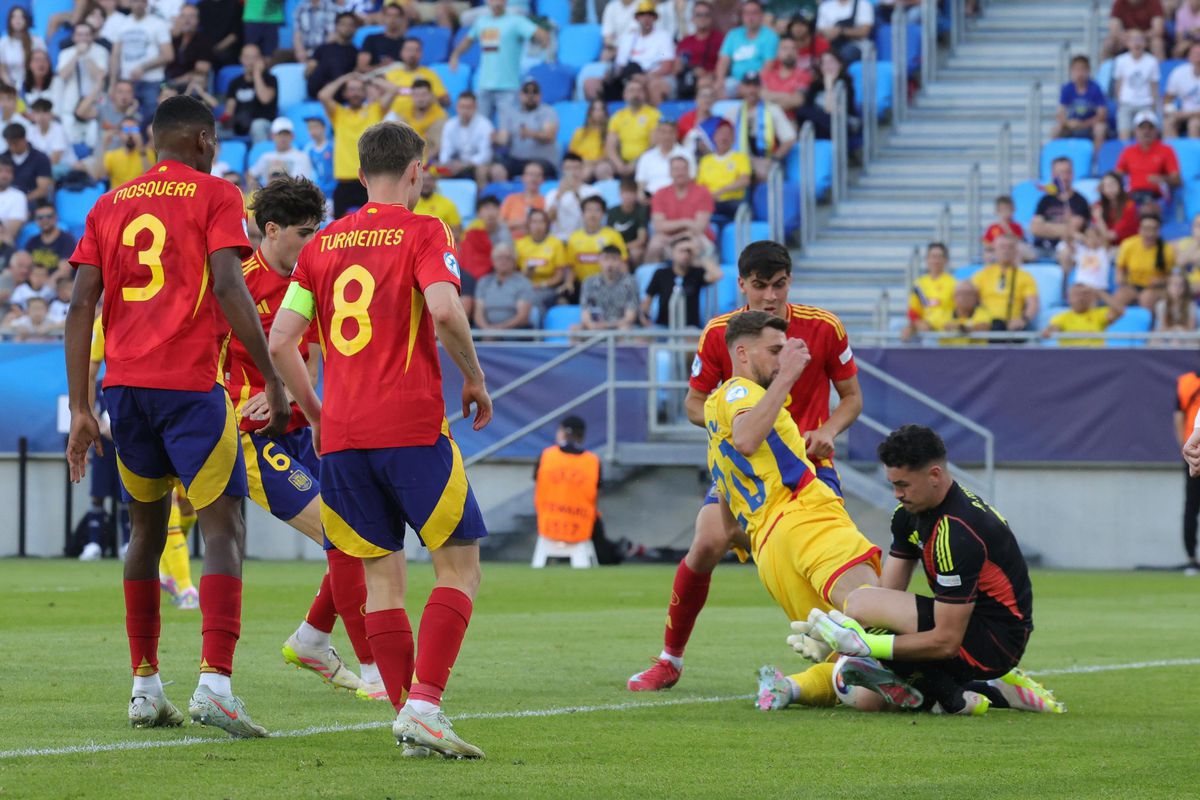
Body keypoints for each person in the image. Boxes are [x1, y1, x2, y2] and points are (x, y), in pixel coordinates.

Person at [64, 95, 292, 738]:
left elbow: (81, 305)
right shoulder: (215, 194)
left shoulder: (108, 204)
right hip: (191, 385)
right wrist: (272, 378)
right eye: (213, 140)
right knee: (223, 525)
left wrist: (83, 408)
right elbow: (227, 283)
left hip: (125, 391)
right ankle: (216, 683)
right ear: (198, 138)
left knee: (144, 530)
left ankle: (144, 685)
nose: (215, 150)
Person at [268, 120, 493, 759]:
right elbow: (446, 311)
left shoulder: (323, 244)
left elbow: (283, 341)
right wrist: (474, 380)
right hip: (410, 425)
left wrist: (315, 411)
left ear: (362, 177)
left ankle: (410, 722)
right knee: (460, 566)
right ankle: (423, 705)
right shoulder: (425, 231)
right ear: (417, 172)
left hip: (341, 436)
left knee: (381, 585)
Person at [628, 242, 863, 702]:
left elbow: (852, 397)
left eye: (779, 285)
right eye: (760, 286)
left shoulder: (824, 327)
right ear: (741, 285)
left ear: (789, 282)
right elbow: (694, 404)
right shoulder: (721, 333)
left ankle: (855, 650)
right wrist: (734, 418)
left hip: (806, 468)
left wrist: (829, 429)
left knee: (822, 569)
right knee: (708, 541)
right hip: (747, 471)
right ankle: (669, 660)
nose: (770, 296)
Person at [221, 176, 381, 698]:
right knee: (344, 535)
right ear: (271, 230)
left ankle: (313, 637)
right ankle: (375, 670)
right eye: (304, 233)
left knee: (355, 530)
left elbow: (309, 354)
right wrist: (251, 395)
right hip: (253, 436)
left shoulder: (312, 279)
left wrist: (296, 394)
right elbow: (208, 356)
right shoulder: (236, 280)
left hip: (302, 428)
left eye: (318, 232)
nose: (313, 243)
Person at [797, 425, 1064, 716]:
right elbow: (886, 596)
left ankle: (964, 694)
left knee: (860, 602)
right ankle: (985, 692)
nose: (897, 494)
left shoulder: (956, 531)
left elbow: (946, 641)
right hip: (962, 631)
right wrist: (836, 640)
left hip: (995, 643)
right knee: (865, 699)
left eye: (904, 485)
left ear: (934, 475)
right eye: (893, 485)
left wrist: (866, 645)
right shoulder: (908, 515)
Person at [693, 307, 881, 713]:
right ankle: (985, 675)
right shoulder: (742, 392)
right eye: (774, 350)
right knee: (878, 613)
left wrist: (741, 537)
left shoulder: (712, 411)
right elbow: (746, 437)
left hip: (770, 550)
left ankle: (792, 687)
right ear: (741, 354)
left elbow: (727, 496)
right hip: (806, 516)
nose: (783, 358)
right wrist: (787, 375)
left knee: (857, 669)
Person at [449, 0, 549, 124]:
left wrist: (544, 43)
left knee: (507, 131)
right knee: (481, 129)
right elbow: (469, 39)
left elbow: (540, 33)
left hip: (508, 86)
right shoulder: (481, 21)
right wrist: (455, 54)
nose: (496, 3)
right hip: (484, 84)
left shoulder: (516, 21)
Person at [318, 72, 399, 218]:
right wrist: (344, 77)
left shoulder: (375, 110)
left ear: (365, 92)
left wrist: (368, 78)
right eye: (351, 89)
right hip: (344, 182)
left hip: (370, 180)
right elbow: (323, 95)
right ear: (345, 93)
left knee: (374, 229)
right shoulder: (339, 113)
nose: (355, 93)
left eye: (359, 89)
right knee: (341, 233)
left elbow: (393, 90)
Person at [533, 413, 603, 549]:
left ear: (564, 432)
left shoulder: (546, 455)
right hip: (581, 529)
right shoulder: (593, 460)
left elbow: (538, 482)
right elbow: (598, 491)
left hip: (548, 527)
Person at [110, 0, 174, 126]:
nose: (138, 4)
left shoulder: (158, 24)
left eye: (141, 1)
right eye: (134, 1)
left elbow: (168, 55)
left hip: (152, 83)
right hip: (127, 83)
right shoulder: (122, 24)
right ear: (129, 3)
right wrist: (112, 83)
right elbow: (115, 55)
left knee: (151, 121)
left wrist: (144, 67)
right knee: (126, 121)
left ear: (146, 4)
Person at [646, 156, 715, 262]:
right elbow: (659, 226)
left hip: (695, 237)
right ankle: (653, 276)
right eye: (676, 169)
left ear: (689, 171)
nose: (680, 173)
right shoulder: (660, 193)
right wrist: (686, 222)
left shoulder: (702, 192)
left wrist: (679, 235)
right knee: (655, 245)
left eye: (684, 169)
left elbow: (699, 227)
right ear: (670, 172)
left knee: (694, 245)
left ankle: (696, 278)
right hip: (669, 238)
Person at [642, 236, 722, 328]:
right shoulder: (661, 273)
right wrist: (645, 318)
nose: (685, 254)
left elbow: (717, 275)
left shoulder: (697, 273)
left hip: (689, 328)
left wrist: (699, 254)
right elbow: (647, 300)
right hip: (662, 327)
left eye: (688, 251)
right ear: (672, 253)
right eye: (681, 251)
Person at [970, 235, 1040, 334]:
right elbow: (970, 300)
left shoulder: (1025, 276)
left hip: (1012, 326)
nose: (1006, 251)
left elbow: (1033, 304)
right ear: (995, 250)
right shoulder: (981, 275)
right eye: (1002, 247)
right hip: (986, 325)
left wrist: (1024, 320)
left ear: (1016, 251)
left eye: (1010, 247)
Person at [493, 79, 558, 181]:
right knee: (497, 170)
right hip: (516, 159)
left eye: (534, 92)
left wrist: (531, 134)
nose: (530, 96)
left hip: (542, 160)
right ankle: (505, 194)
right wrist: (496, 139)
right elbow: (503, 138)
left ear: (540, 96)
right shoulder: (511, 113)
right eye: (526, 92)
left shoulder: (548, 111)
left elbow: (549, 135)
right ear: (520, 95)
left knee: (533, 170)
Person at [613, 1, 676, 106]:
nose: (646, 18)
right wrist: (633, 77)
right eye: (642, 15)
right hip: (632, 78)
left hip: (657, 77)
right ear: (637, 18)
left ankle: (655, 119)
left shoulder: (663, 36)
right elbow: (621, 66)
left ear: (655, 18)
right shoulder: (628, 39)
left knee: (653, 86)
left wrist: (645, 77)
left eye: (650, 15)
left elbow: (666, 67)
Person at [566, 196, 628, 298]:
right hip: (581, 285)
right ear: (583, 214)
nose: (593, 214)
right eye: (589, 210)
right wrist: (569, 283)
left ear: (603, 214)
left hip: (608, 284)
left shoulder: (613, 235)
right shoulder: (574, 237)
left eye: (597, 210)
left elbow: (623, 263)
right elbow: (571, 266)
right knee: (562, 299)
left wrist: (623, 285)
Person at [1117, 110, 1181, 206]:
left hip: (1156, 198)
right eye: (1142, 127)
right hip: (1133, 196)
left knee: (1146, 208)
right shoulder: (1128, 151)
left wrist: (1162, 179)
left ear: (1157, 130)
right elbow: (1117, 175)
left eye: (1150, 127)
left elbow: (1177, 180)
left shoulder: (1166, 150)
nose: (1146, 131)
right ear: (1135, 131)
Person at [715, 0, 780, 94]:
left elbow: (768, 66)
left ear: (761, 15)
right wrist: (720, 80)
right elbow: (723, 61)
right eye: (746, 13)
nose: (750, 17)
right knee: (714, 91)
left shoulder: (770, 36)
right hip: (735, 82)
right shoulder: (733, 34)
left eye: (754, 13)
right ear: (742, 16)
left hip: (759, 82)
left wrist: (749, 85)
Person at [1031, 157, 1090, 257]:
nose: (1064, 177)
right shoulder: (1045, 200)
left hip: (1067, 248)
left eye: (1067, 172)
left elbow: (1073, 229)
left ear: (1072, 174)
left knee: (1065, 254)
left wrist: (1046, 227)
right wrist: (1064, 228)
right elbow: (1035, 228)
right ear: (1053, 175)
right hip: (1041, 248)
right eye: (1059, 173)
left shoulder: (1081, 201)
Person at [383, 37, 450, 124]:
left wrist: (428, 95)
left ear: (421, 53)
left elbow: (446, 101)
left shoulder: (429, 74)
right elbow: (380, 103)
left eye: (417, 50)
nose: (412, 54)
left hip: (424, 118)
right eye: (409, 50)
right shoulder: (391, 75)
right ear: (401, 52)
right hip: (397, 118)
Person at [606, 77, 662, 179]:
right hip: (621, 161)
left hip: (646, 159)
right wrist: (618, 164)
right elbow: (610, 146)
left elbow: (653, 144)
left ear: (644, 95)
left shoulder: (654, 115)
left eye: (639, 91)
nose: (635, 94)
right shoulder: (617, 117)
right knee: (603, 169)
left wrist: (635, 163)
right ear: (625, 95)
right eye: (631, 91)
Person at [1053, 55, 1108, 159]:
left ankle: (1095, 160)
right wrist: (1068, 123)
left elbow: (1102, 114)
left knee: (1100, 129)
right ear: (1071, 72)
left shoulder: (1095, 89)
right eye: (1076, 70)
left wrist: (1084, 124)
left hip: (1089, 125)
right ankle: (1057, 160)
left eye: (1083, 70)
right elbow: (1060, 112)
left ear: (1088, 71)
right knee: (1055, 130)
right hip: (1072, 124)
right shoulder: (1067, 89)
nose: (1079, 73)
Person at [1116, 209, 1174, 307]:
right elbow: (1120, 267)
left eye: (1154, 229)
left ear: (1159, 231)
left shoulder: (1167, 250)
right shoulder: (1128, 244)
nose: (1150, 233)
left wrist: (1161, 281)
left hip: (1155, 288)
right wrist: (1120, 278)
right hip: (1132, 285)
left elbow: (1172, 276)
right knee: (1118, 300)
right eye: (1146, 229)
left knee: (1146, 298)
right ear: (1139, 229)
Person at [793, 50, 853, 142]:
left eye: (831, 62)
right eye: (824, 63)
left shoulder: (844, 85)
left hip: (839, 125)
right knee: (801, 111)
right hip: (819, 127)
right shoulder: (815, 86)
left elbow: (832, 111)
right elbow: (808, 108)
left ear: (840, 64)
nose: (828, 66)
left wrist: (829, 85)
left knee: (804, 111)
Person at [696, 119, 751, 218]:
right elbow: (700, 185)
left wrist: (722, 190)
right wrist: (709, 196)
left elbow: (744, 180)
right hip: (710, 201)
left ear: (733, 138)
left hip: (732, 200)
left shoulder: (740, 158)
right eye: (721, 134)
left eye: (728, 134)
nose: (724, 137)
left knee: (741, 209)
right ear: (714, 137)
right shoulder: (705, 160)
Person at [474, 242, 535, 331]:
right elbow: (478, 313)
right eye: (499, 257)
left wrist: (498, 330)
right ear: (493, 261)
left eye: (508, 258)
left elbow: (522, 317)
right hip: (486, 332)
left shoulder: (523, 283)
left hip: (514, 332)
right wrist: (487, 330)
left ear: (514, 262)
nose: (503, 261)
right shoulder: (484, 282)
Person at [515, 207, 568, 308]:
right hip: (524, 287)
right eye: (534, 222)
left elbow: (559, 276)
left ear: (547, 225)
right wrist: (526, 274)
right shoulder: (519, 244)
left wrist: (541, 285)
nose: (537, 226)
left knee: (535, 300)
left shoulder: (556, 244)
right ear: (528, 225)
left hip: (548, 288)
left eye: (541, 222)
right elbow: (514, 273)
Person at [902, 241, 956, 340]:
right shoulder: (919, 284)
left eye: (939, 257)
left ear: (945, 260)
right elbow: (913, 310)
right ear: (927, 259)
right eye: (933, 257)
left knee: (929, 338)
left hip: (942, 328)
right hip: (922, 325)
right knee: (896, 326)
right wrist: (918, 323)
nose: (936, 260)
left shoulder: (953, 283)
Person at [578, 244, 639, 331]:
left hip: (619, 326)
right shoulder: (589, 282)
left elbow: (629, 317)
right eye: (606, 259)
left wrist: (606, 325)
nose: (610, 264)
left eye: (614, 259)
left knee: (625, 329)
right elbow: (585, 312)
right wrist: (591, 324)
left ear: (621, 262)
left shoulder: (630, 282)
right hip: (595, 327)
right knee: (575, 330)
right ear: (599, 261)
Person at [1113, 30, 1161, 140]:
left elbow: (1154, 86)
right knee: (1123, 134)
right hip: (1126, 103)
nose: (1137, 43)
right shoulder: (1121, 60)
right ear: (1127, 43)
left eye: (1140, 40)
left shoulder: (1152, 61)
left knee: (1146, 135)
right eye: (1133, 40)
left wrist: (1154, 106)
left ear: (1145, 43)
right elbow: (1118, 83)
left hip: (1146, 103)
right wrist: (1119, 102)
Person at [438, 91, 493, 186]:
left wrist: (464, 164)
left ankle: (481, 200)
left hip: (476, 164)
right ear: (457, 108)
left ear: (475, 108)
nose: (465, 111)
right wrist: (447, 163)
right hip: (457, 162)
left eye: (469, 107)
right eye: (462, 107)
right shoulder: (450, 125)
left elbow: (485, 155)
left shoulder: (485, 125)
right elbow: (446, 151)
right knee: (436, 169)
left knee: (482, 171)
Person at [224, 44, 277, 142]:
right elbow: (229, 111)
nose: (251, 61)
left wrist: (257, 73)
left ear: (261, 59)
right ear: (241, 59)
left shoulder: (270, 79)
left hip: (263, 124)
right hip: (240, 124)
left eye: (254, 58)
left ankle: (260, 155)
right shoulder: (235, 82)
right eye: (247, 57)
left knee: (257, 126)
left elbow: (265, 99)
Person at [1040, 283, 1120, 346]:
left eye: (1085, 294)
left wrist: (1098, 291)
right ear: (1069, 298)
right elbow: (1053, 328)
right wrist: (1048, 331)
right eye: (1077, 294)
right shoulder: (1062, 317)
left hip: (1097, 360)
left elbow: (1119, 310)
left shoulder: (1099, 314)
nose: (1081, 298)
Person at [1176, 365, 1200, 574]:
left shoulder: (1186, 382)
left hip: (1193, 450)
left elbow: (1178, 417)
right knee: (1191, 507)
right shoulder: (1186, 382)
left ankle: (1192, 560)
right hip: (1195, 452)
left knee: (1191, 506)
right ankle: (1192, 558)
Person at [546, 152, 600, 242]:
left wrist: (576, 193)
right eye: (568, 169)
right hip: (558, 240)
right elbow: (548, 220)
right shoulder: (552, 194)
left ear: (582, 169)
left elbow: (594, 219)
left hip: (584, 240)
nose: (573, 172)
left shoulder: (593, 192)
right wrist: (559, 195)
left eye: (576, 168)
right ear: (562, 170)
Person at [248, 118, 315, 190]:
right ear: (273, 136)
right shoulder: (265, 156)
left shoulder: (302, 157)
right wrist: (254, 188)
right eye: (280, 134)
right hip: (268, 197)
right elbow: (250, 174)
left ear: (292, 136)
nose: (283, 138)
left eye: (286, 134)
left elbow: (299, 184)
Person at [305, 12, 360, 100]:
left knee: (336, 65)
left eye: (351, 25)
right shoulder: (323, 48)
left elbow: (355, 75)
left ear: (355, 29)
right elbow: (308, 72)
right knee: (329, 62)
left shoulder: (356, 52)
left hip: (340, 91)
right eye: (343, 24)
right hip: (317, 87)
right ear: (336, 26)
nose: (347, 28)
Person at [675, 1, 724, 97]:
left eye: (706, 15)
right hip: (687, 79)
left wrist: (709, 74)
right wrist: (691, 70)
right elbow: (676, 68)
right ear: (692, 18)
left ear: (711, 18)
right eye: (699, 15)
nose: (703, 18)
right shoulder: (685, 41)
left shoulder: (720, 39)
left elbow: (724, 65)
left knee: (705, 83)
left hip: (710, 78)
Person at [636, 119, 695, 196]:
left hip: (677, 198)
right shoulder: (647, 156)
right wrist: (641, 196)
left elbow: (691, 180)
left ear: (676, 134)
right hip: (651, 199)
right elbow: (641, 184)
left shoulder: (686, 155)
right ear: (657, 134)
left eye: (671, 132)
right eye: (663, 132)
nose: (667, 136)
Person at [1057, 224, 1115, 302]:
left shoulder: (1103, 252)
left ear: (1100, 238)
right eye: (1089, 236)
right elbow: (1068, 240)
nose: (1092, 239)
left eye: (1095, 236)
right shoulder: (1081, 251)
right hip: (1079, 288)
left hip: (1097, 289)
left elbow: (1106, 238)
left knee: (1086, 293)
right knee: (1074, 291)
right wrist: (1079, 236)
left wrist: (1098, 218)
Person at [459, 194, 510, 280]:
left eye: (494, 208)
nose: (490, 213)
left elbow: (508, 258)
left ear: (499, 212)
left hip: (497, 275)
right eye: (486, 208)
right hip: (471, 277)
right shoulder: (472, 231)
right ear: (478, 214)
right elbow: (466, 259)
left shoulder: (504, 230)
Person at [3, 125, 53, 212]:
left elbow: (42, 190)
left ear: (24, 139)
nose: (12, 147)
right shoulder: (3, 158)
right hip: (5, 200)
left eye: (15, 143)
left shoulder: (40, 158)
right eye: (9, 144)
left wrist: (19, 201)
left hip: (31, 202)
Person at [95, 116, 154, 187]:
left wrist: (141, 148)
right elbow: (98, 176)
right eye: (126, 129)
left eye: (134, 129)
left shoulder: (147, 153)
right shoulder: (112, 155)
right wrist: (104, 147)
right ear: (120, 134)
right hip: (117, 196)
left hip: (139, 195)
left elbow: (151, 179)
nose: (130, 133)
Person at [167, 3, 215, 86]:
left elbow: (203, 68)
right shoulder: (173, 38)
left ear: (198, 20)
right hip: (168, 82)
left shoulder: (204, 40)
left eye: (191, 16)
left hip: (189, 84)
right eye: (183, 16)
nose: (187, 20)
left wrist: (175, 82)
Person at [762, 36, 811, 116]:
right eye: (785, 48)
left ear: (797, 53)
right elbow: (762, 95)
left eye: (793, 48)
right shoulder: (767, 74)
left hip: (789, 121)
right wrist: (787, 95)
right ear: (777, 53)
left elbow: (797, 101)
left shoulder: (804, 75)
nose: (790, 52)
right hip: (766, 120)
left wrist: (771, 96)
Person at [815, 0, 874, 64]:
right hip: (829, 43)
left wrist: (840, 31)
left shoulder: (863, 4)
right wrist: (828, 33)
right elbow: (818, 30)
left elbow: (864, 31)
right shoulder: (825, 6)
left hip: (856, 44)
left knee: (844, 54)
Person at [499, 161, 546, 240]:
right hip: (510, 242)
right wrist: (524, 222)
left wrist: (516, 224)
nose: (533, 179)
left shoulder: (545, 201)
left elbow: (545, 226)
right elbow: (500, 225)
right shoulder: (511, 199)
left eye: (537, 175)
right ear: (523, 178)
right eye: (530, 175)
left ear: (543, 180)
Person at [413, 166, 463, 241]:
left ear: (435, 182)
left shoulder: (447, 204)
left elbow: (457, 233)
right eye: (423, 179)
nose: (426, 183)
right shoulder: (410, 203)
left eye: (430, 179)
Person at [569, 99, 614, 182]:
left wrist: (591, 163)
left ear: (605, 113)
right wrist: (582, 163)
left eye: (601, 110)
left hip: (598, 164)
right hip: (580, 164)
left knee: (594, 170)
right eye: (595, 110)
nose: (598, 113)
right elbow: (572, 154)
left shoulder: (609, 133)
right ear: (590, 113)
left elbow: (608, 156)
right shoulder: (579, 132)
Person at [22, 203, 75, 273]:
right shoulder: (32, 241)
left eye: (49, 216)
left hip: (58, 282)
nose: (44, 220)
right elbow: (25, 265)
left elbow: (64, 271)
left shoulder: (67, 240)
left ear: (56, 217)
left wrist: (48, 283)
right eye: (40, 217)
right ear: (36, 220)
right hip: (35, 280)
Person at [607, 177, 649, 265]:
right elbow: (608, 235)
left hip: (632, 247)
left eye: (631, 192)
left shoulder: (642, 211)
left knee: (636, 253)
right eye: (625, 192)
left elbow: (641, 239)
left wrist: (623, 247)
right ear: (620, 194)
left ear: (636, 194)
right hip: (615, 246)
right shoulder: (612, 211)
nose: (628, 196)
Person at [935, 281, 992, 346]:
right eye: (961, 294)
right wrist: (963, 328)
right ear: (954, 297)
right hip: (948, 354)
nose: (965, 297)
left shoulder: (983, 313)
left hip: (976, 354)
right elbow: (938, 325)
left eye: (969, 294)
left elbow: (983, 326)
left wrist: (962, 328)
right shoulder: (944, 314)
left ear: (976, 297)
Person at [1092, 170, 1140, 245]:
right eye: (1106, 185)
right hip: (1107, 247)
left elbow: (1111, 237)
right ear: (1102, 189)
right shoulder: (1098, 205)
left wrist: (1099, 219)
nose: (1110, 188)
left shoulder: (1129, 206)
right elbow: (1095, 234)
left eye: (1113, 184)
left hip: (1127, 246)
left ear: (1120, 186)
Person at [0, 7, 43, 90]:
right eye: (14, 17)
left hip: (33, 86)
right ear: (10, 21)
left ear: (26, 20)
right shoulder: (3, 42)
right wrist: (11, 87)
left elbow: (42, 64)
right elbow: (2, 69)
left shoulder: (36, 40)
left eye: (21, 17)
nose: (17, 20)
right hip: (10, 86)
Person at [1165, 43, 1200, 138]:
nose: (1198, 57)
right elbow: (1168, 98)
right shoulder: (1179, 73)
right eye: (1195, 54)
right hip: (1183, 113)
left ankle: (1195, 152)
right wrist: (1171, 111)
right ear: (1189, 57)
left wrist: (1188, 114)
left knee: (1194, 124)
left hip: (1194, 115)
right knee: (1168, 123)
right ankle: (1174, 151)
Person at [293, 0, 341, 65]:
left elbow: (332, 35)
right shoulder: (301, 7)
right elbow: (297, 34)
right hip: (305, 52)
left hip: (325, 52)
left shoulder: (331, 7)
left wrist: (317, 54)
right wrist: (300, 52)